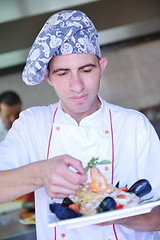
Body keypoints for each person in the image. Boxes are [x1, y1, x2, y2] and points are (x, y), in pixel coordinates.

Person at [0, 10, 160, 240]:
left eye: (86, 70)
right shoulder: (31, 125)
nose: (77, 86)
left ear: (101, 67)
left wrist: (115, 210)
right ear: (48, 77)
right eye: (63, 73)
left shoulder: (134, 125)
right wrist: (39, 174)